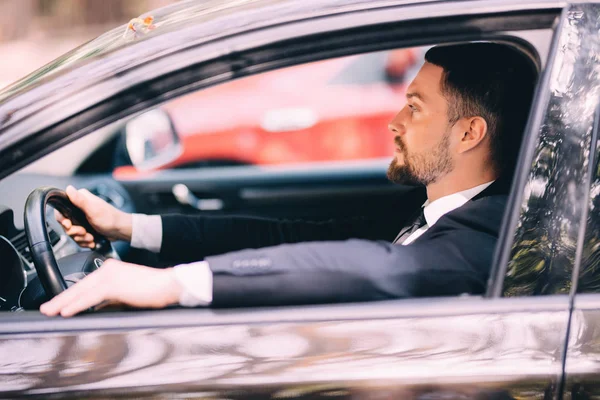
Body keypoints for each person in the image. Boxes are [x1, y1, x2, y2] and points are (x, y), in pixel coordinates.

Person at [40, 42, 537, 317]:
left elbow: (381, 269)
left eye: (414, 107)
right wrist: (131, 228)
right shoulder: (429, 206)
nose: (394, 122)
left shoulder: (490, 231)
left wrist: (170, 286)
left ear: (469, 132)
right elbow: (289, 236)